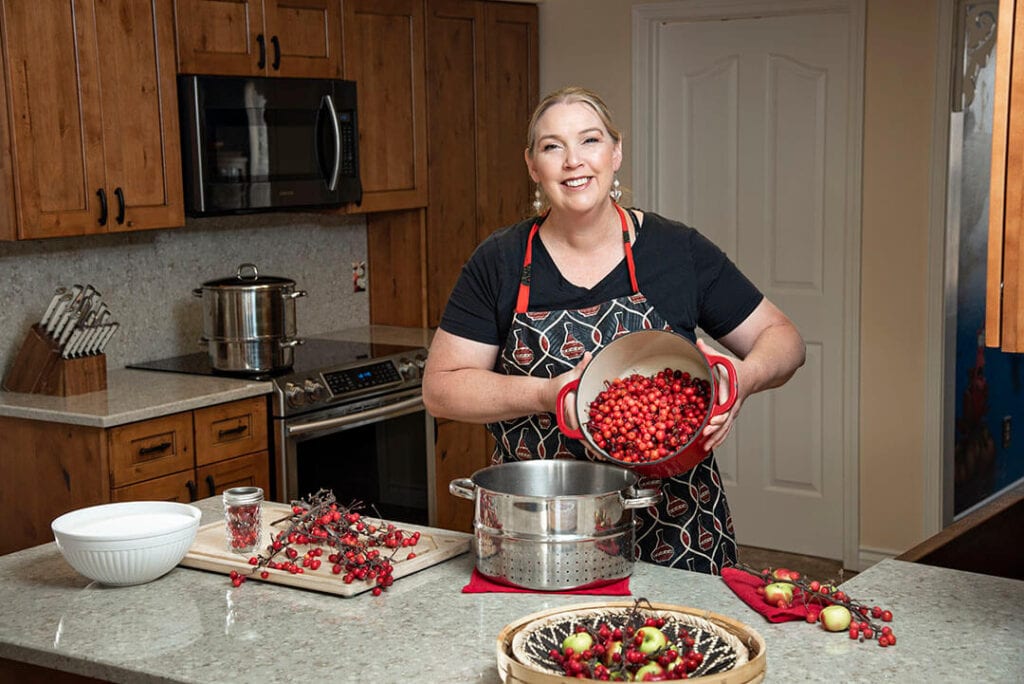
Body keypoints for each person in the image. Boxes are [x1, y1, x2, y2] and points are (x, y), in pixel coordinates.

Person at [422, 86, 806, 574]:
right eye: (552, 146)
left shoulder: (676, 250)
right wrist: (545, 394)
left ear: (616, 152)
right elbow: (441, 389)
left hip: (679, 531)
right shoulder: (499, 262)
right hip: (547, 536)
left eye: (590, 140)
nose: (573, 161)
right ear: (532, 165)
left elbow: (785, 339)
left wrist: (744, 379)